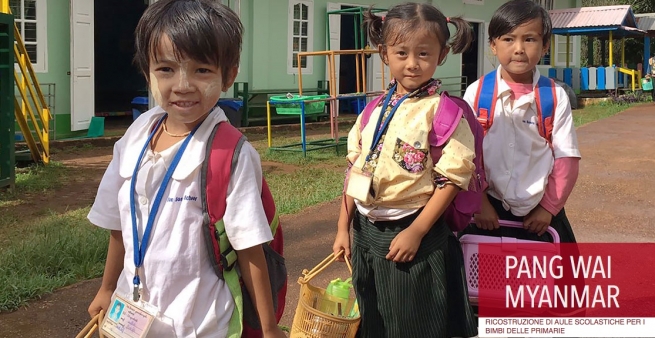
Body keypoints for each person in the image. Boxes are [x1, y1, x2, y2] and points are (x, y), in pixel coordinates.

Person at [86, 1, 286, 337]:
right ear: (147, 70)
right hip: (130, 316)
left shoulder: (231, 153)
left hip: (199, 324)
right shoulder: (136, 136)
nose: (182, 85)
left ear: (229, 75)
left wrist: (268, 328)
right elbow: (120, 224)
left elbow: (249, 247)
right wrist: (107, 288)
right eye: (166, 69)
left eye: (202, 70)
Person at [332, 3, 478, 337]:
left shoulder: (445, 113)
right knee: (374, 319)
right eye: (401, 52)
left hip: (414, 232)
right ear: (384, 54)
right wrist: (343, 227)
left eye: (424, 53)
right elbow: (355, 170)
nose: (412, 63)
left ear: (441, 55)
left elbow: (452, 180)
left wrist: (417, 231)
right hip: (366, 234)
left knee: (414, 322)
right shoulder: (372, 111)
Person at [462, 0, 581, 244]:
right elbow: (464, 155)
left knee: (546, 280)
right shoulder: (476, 93)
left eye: (530, 39)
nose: (518, 48)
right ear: (493, 45)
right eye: (508, 39)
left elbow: (566, 159)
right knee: (482, 280)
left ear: (545, 45)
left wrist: (548, 208)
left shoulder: (555, 96)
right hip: (488, 212)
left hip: (540, 216)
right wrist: (479, 201)